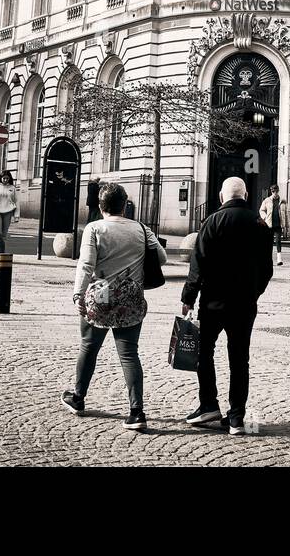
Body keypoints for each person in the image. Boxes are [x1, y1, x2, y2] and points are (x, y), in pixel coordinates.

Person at [64, 183, 167, 431]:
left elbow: (86, 264)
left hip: (100, 296)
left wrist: (78, 294)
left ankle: (78, 398)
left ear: (101, 206)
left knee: (89, 347)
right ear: (125, 205)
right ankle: (136, 412)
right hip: (130, 297)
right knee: (129, 354)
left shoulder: (95, 228)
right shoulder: (142, 229)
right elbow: (161, 258)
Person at [181, 176, 273, 436]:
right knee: (239, 359)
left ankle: (209, 404)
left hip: (213, 302)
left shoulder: (211, 222)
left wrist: (189, 297)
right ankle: (236, 418)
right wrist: (254, 292)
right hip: (244, 304)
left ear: (222, 197)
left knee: (204, 352)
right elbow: (266, 270)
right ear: (244, 196)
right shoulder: (260, 225)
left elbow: (197, 264)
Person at [0, 171, 19, 259]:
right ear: (0, 178)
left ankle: (1, 255)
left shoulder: (12, 188)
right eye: (4, 178)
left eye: (7, 178)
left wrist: (16, 216)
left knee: (3, 235)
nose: (5, 180)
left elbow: (16, 201)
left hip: (8, 212)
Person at [259, 184, 290, 267]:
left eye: (276, 191)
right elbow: (261, 210)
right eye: (273, 191)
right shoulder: (267, 200)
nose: (274, 193)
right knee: (269, 242)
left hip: (278, 225)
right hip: (269, 225)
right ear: (271, 191)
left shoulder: (283, 201)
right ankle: (268, 259)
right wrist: (265, 217)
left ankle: (279, 259)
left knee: (278, 241)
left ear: (278, 191)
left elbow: (286, 214)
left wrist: (287, 226)